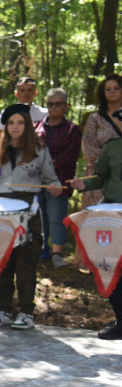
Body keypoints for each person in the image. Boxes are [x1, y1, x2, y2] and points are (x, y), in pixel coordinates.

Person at [0, 104, 63, 330]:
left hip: (28, 209)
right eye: (11, 123)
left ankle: (26, 312)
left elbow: (50, 178)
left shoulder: (39, 150)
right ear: (5, 126)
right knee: (3, 260)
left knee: (26, 262)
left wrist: (55, 187)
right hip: (1, 211)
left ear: (27, 125)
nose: (15, 127)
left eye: (20, 122)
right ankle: (3, 309)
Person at [69, 111, 122, 339]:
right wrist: (83, 185)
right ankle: (121, 320)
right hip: (113, 214)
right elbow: (101, 177)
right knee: (111, 267)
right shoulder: (112, 147)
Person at [35, 88, 81, 267]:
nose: (53, 107)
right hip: (36, 182)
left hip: (60, 181)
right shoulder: (37, 127)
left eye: (58, 104)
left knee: (57, 217)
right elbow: (31, 152)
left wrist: (47, 167)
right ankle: (41, 251)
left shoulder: (72, 129)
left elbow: (71, 155)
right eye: (50, 104)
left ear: (65, 106)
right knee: (39, 218)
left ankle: (57, 253)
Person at [81, 73, 122, 210]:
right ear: (102, 93)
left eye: (116, 88)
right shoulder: (95, 118)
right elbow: (89, 148)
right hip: (98, 174)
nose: (112, 91)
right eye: (108, 89)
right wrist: (110, 162)